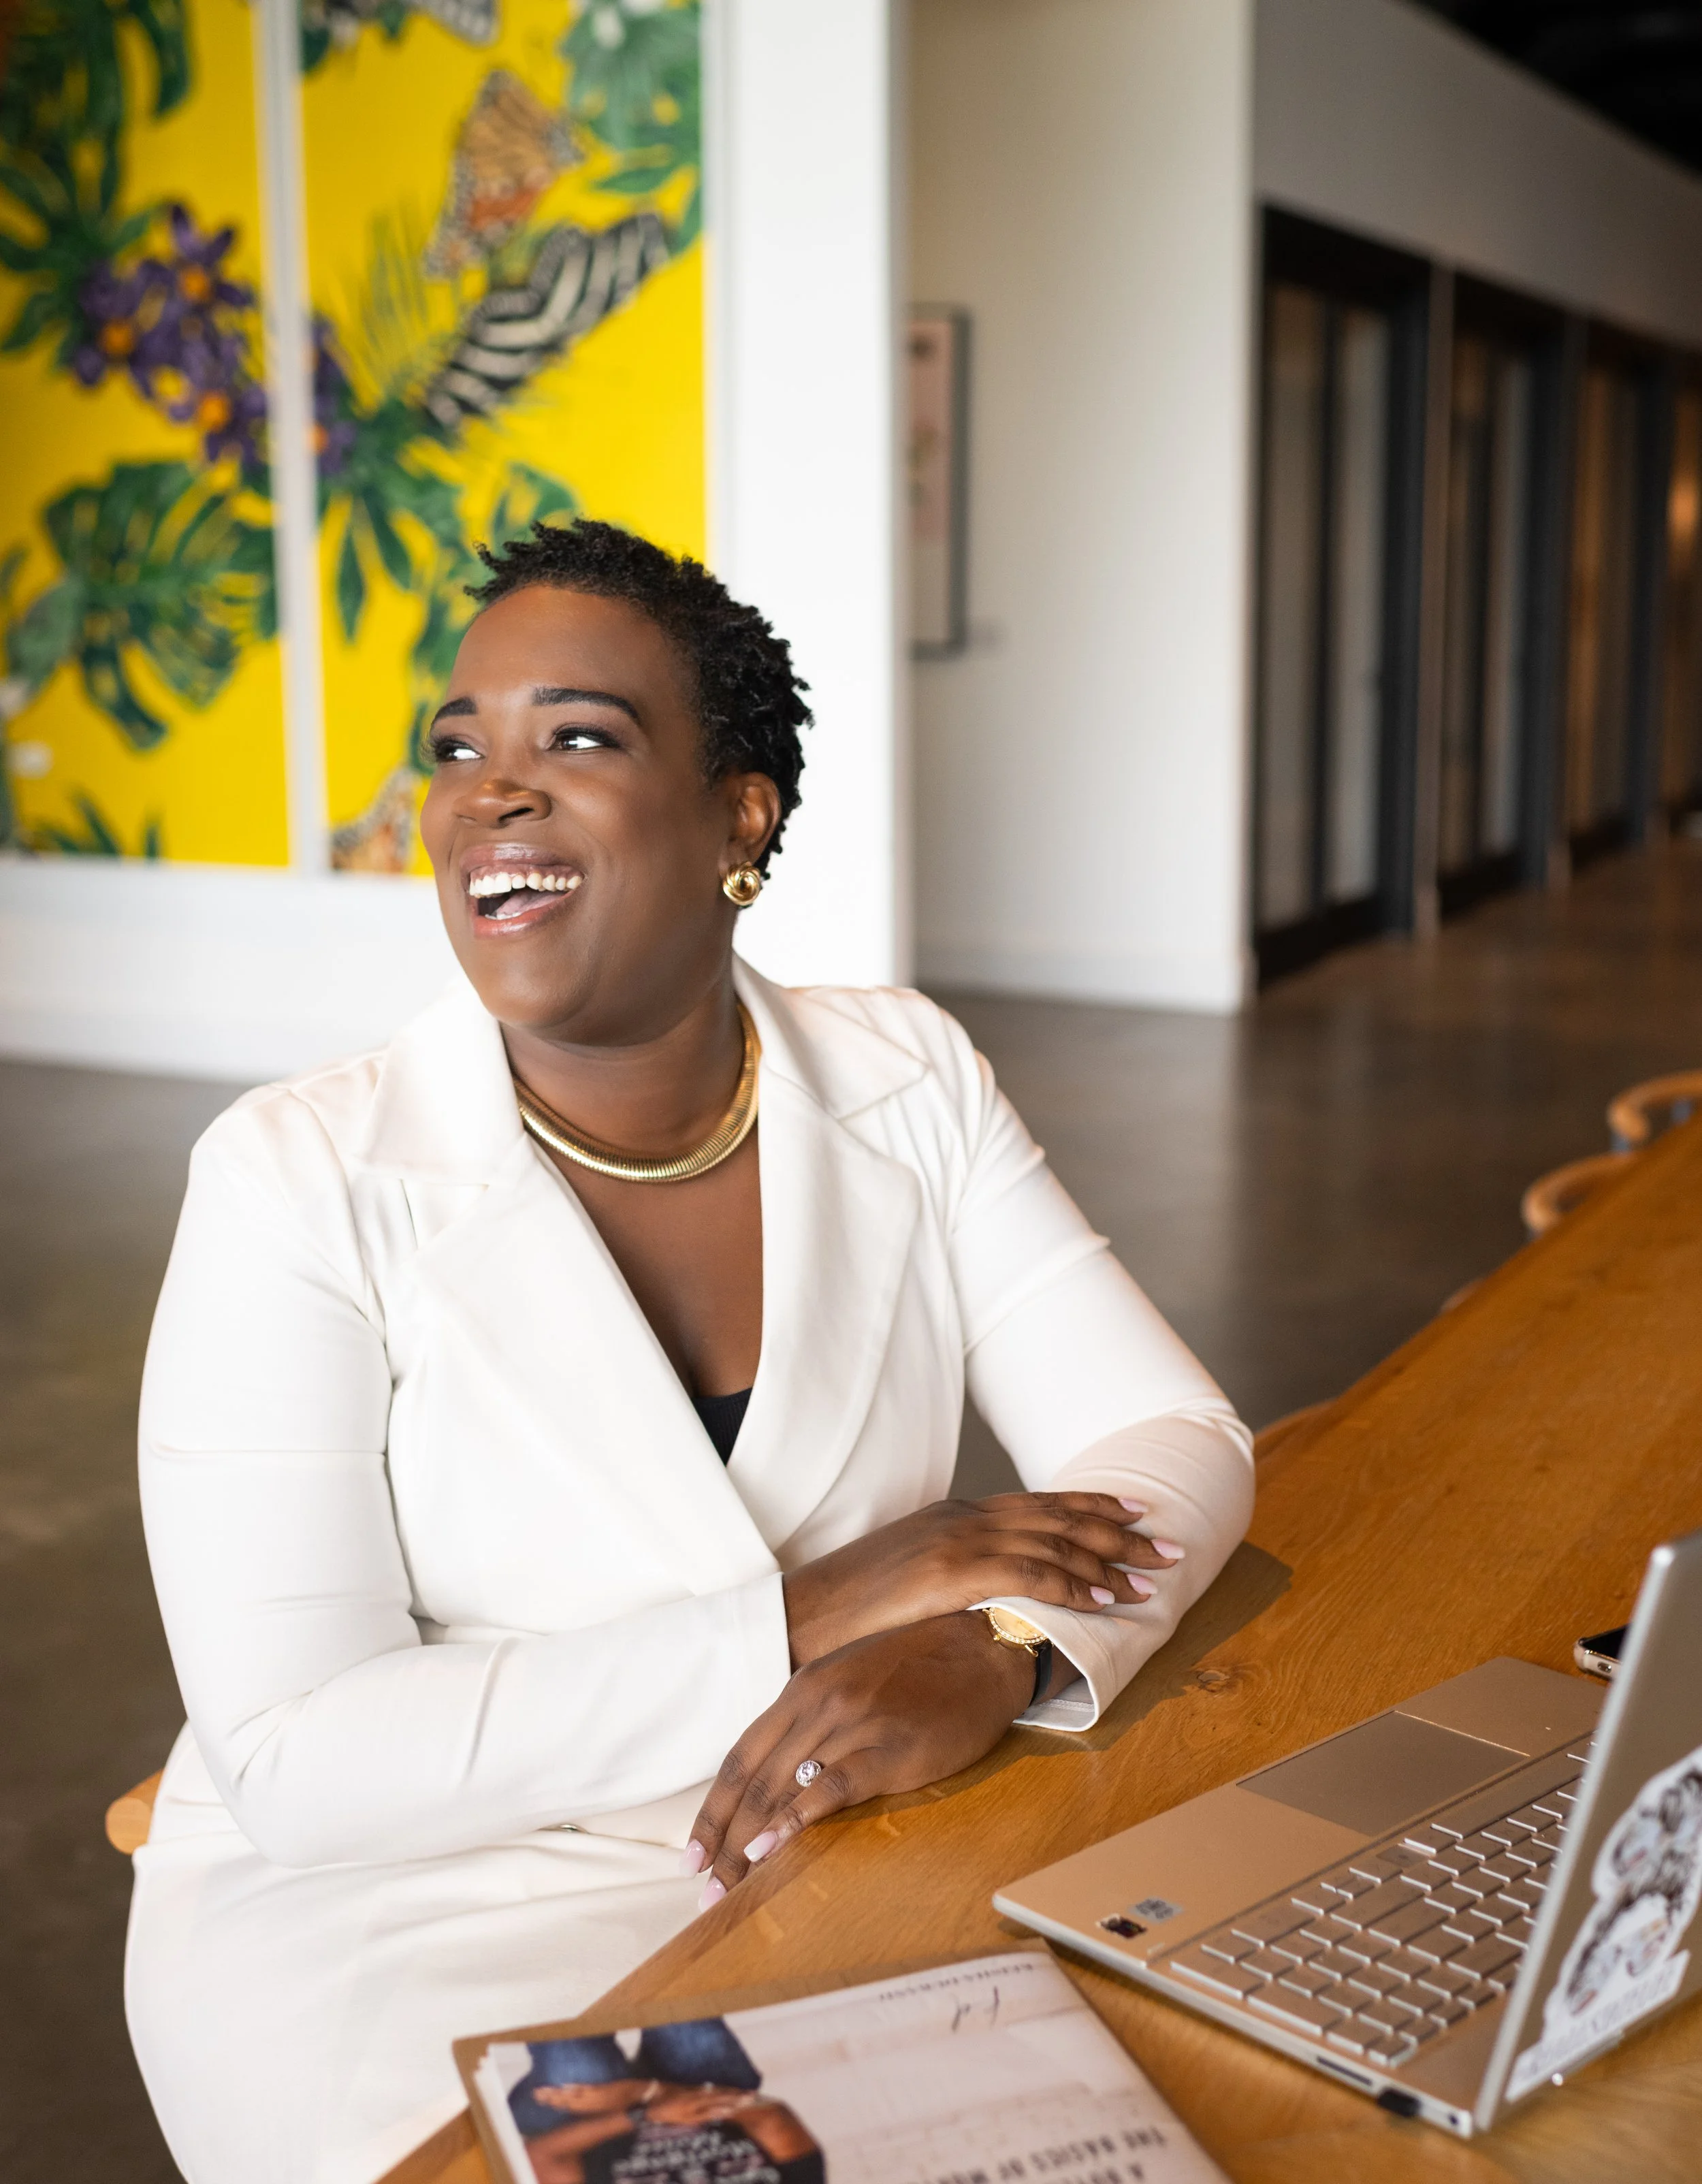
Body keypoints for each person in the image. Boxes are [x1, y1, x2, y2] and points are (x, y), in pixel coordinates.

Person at [127, 520, 1254, 2184]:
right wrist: (829, 1603)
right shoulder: (294, 1178)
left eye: (574, 737)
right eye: (458, 748)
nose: (487, 792)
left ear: (741, 813)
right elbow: (304, 1758)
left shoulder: (901, 1073)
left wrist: (996, 1643)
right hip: (401, 1916)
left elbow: (1167, 1427)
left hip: (829, 1836)